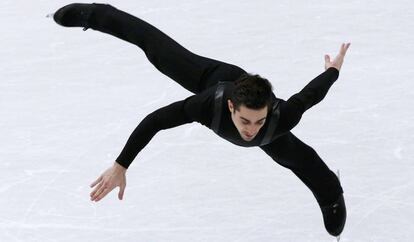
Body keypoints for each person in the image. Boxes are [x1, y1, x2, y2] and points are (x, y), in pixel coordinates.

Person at [53, 3, 351, 237]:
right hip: (212, 77)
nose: (251, 130)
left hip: (255, 103)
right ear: (232, 107)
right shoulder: (209, 105)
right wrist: (121, 165)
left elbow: (309, 95)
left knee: (300, 159)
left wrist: (332, 71)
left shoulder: (279, 118)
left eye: (258, 121)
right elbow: (155, 120)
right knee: (156, 49)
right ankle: (96, 14)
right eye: (246, 121)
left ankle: (332, 196)